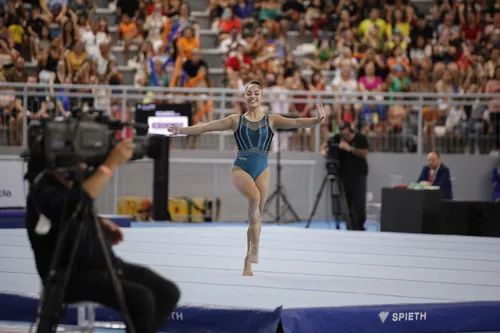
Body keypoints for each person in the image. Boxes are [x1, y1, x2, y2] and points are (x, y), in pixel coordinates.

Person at [168, 81, 325, 276]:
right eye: (249, 93)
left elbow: (297, 122)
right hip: (240, 168)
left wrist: (317, 120)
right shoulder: (235, 120)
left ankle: (248, 260)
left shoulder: (272, 120)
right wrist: (181, 130)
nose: (253, 96)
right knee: (255, 198)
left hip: (262, 169)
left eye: (256, 93)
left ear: (262, 97)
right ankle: (256, 245)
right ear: (244, 98)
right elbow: (206, 127)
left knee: (256, 218)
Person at [26, 139, 180, 333]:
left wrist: (98, 223)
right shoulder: (44, 189)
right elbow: (71, 205)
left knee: (168, 292)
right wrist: (110, 164)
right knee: (141, 299)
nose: (84, 166)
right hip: (70, 276)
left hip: (104, 265)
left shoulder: (70, 184)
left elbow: (74, 210)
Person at [320, 122, 369, 231]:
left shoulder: (361, 138)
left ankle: (359, 225)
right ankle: (349, 225)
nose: (344, 135)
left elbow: (365, 153)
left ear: (350, 131)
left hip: (359, 174)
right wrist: (324, 151)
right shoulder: (338, 138)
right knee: (347, 201)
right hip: (343, 174)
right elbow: (325, 145)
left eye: (345, 132)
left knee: (359, 201)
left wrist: (349, 148)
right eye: (342, 132)